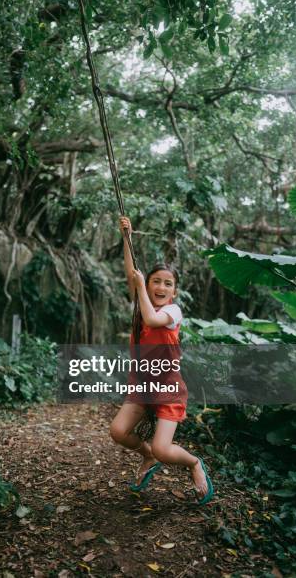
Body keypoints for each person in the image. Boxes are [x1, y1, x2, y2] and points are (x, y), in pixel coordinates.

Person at [109, 216, 214, 504]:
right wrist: (126, 237)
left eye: (167, 283)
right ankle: (146, 457)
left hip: (167, 389)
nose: (161, 286)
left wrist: (141, 286)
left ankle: (194, 464)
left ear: (174, 292)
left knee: (164, 449)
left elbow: (153, 318)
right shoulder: (138, 306)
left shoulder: (173, 312)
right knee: (118, 432)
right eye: (156, 281)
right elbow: (133, 275)